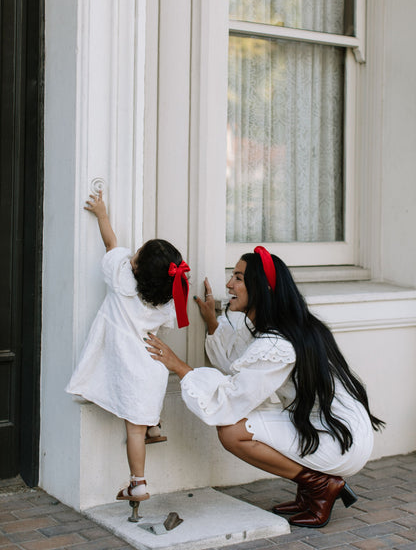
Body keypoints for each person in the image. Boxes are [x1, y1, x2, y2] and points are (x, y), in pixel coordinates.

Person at [145, 246, 384, 528]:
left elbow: (233, 397)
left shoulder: (277, 343)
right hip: (336, 427)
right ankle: (311, 490)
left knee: (233, 432)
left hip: (339, 439)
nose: (228, 284)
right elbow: (241, 366)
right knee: (249, 424)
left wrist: (179, 367)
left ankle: (320, 486)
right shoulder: (287, 327)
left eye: (238, 278)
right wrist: (212, 324)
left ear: (260, 288)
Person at [66, 191, 190, 503]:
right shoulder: (170, 298)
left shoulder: (121, 279)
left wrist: (101, 213)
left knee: (132, 430)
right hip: (152, 368)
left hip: (130, 368)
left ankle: (138, 484)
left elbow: (110, 244)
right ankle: (152, 427)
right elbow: (163, 326)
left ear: (136, 268)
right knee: (141, 418)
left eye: (135, 255)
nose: (130, 256)